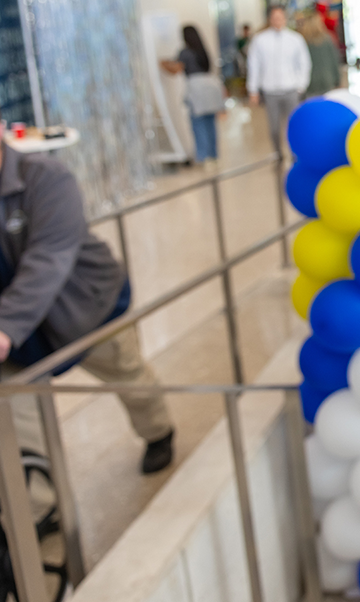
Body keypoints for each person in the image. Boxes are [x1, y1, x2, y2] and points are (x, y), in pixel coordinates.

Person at [0, 142, 175, 474]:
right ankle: (42, 507)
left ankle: (159, 431)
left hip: (87, 309)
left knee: (129, 376)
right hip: (18, 327)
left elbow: (50, 256)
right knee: (16, 419)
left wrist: (5, 326)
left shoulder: (46, 177)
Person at [247, 5, 311, 156]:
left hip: (291, 89)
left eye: (280, 17)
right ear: (270, 19)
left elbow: (304, 63)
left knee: (293, 125)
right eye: (274, 18)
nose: (277, 21)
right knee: (274, 127)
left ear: (285, 18)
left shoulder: (295, 39)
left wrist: (301, 85)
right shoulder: (260, 40)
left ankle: (295, 154)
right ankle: (278, 153)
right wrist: (253, 89)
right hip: (270, 90)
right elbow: (253, 65)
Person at [160, 25, 224, 167]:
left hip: (196, 91)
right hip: (210, 89)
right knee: (210, 124)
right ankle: (214, 156)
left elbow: (176, 69)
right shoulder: (203, 51)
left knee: (198, 124)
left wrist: (162, 64)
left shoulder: (185, 52)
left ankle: (204, 158)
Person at [300, 15, 341, 97]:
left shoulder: (303, 41)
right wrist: (338, 79)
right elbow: (334, 60)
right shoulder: (327, 39)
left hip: (310, 82)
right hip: (327, 80)